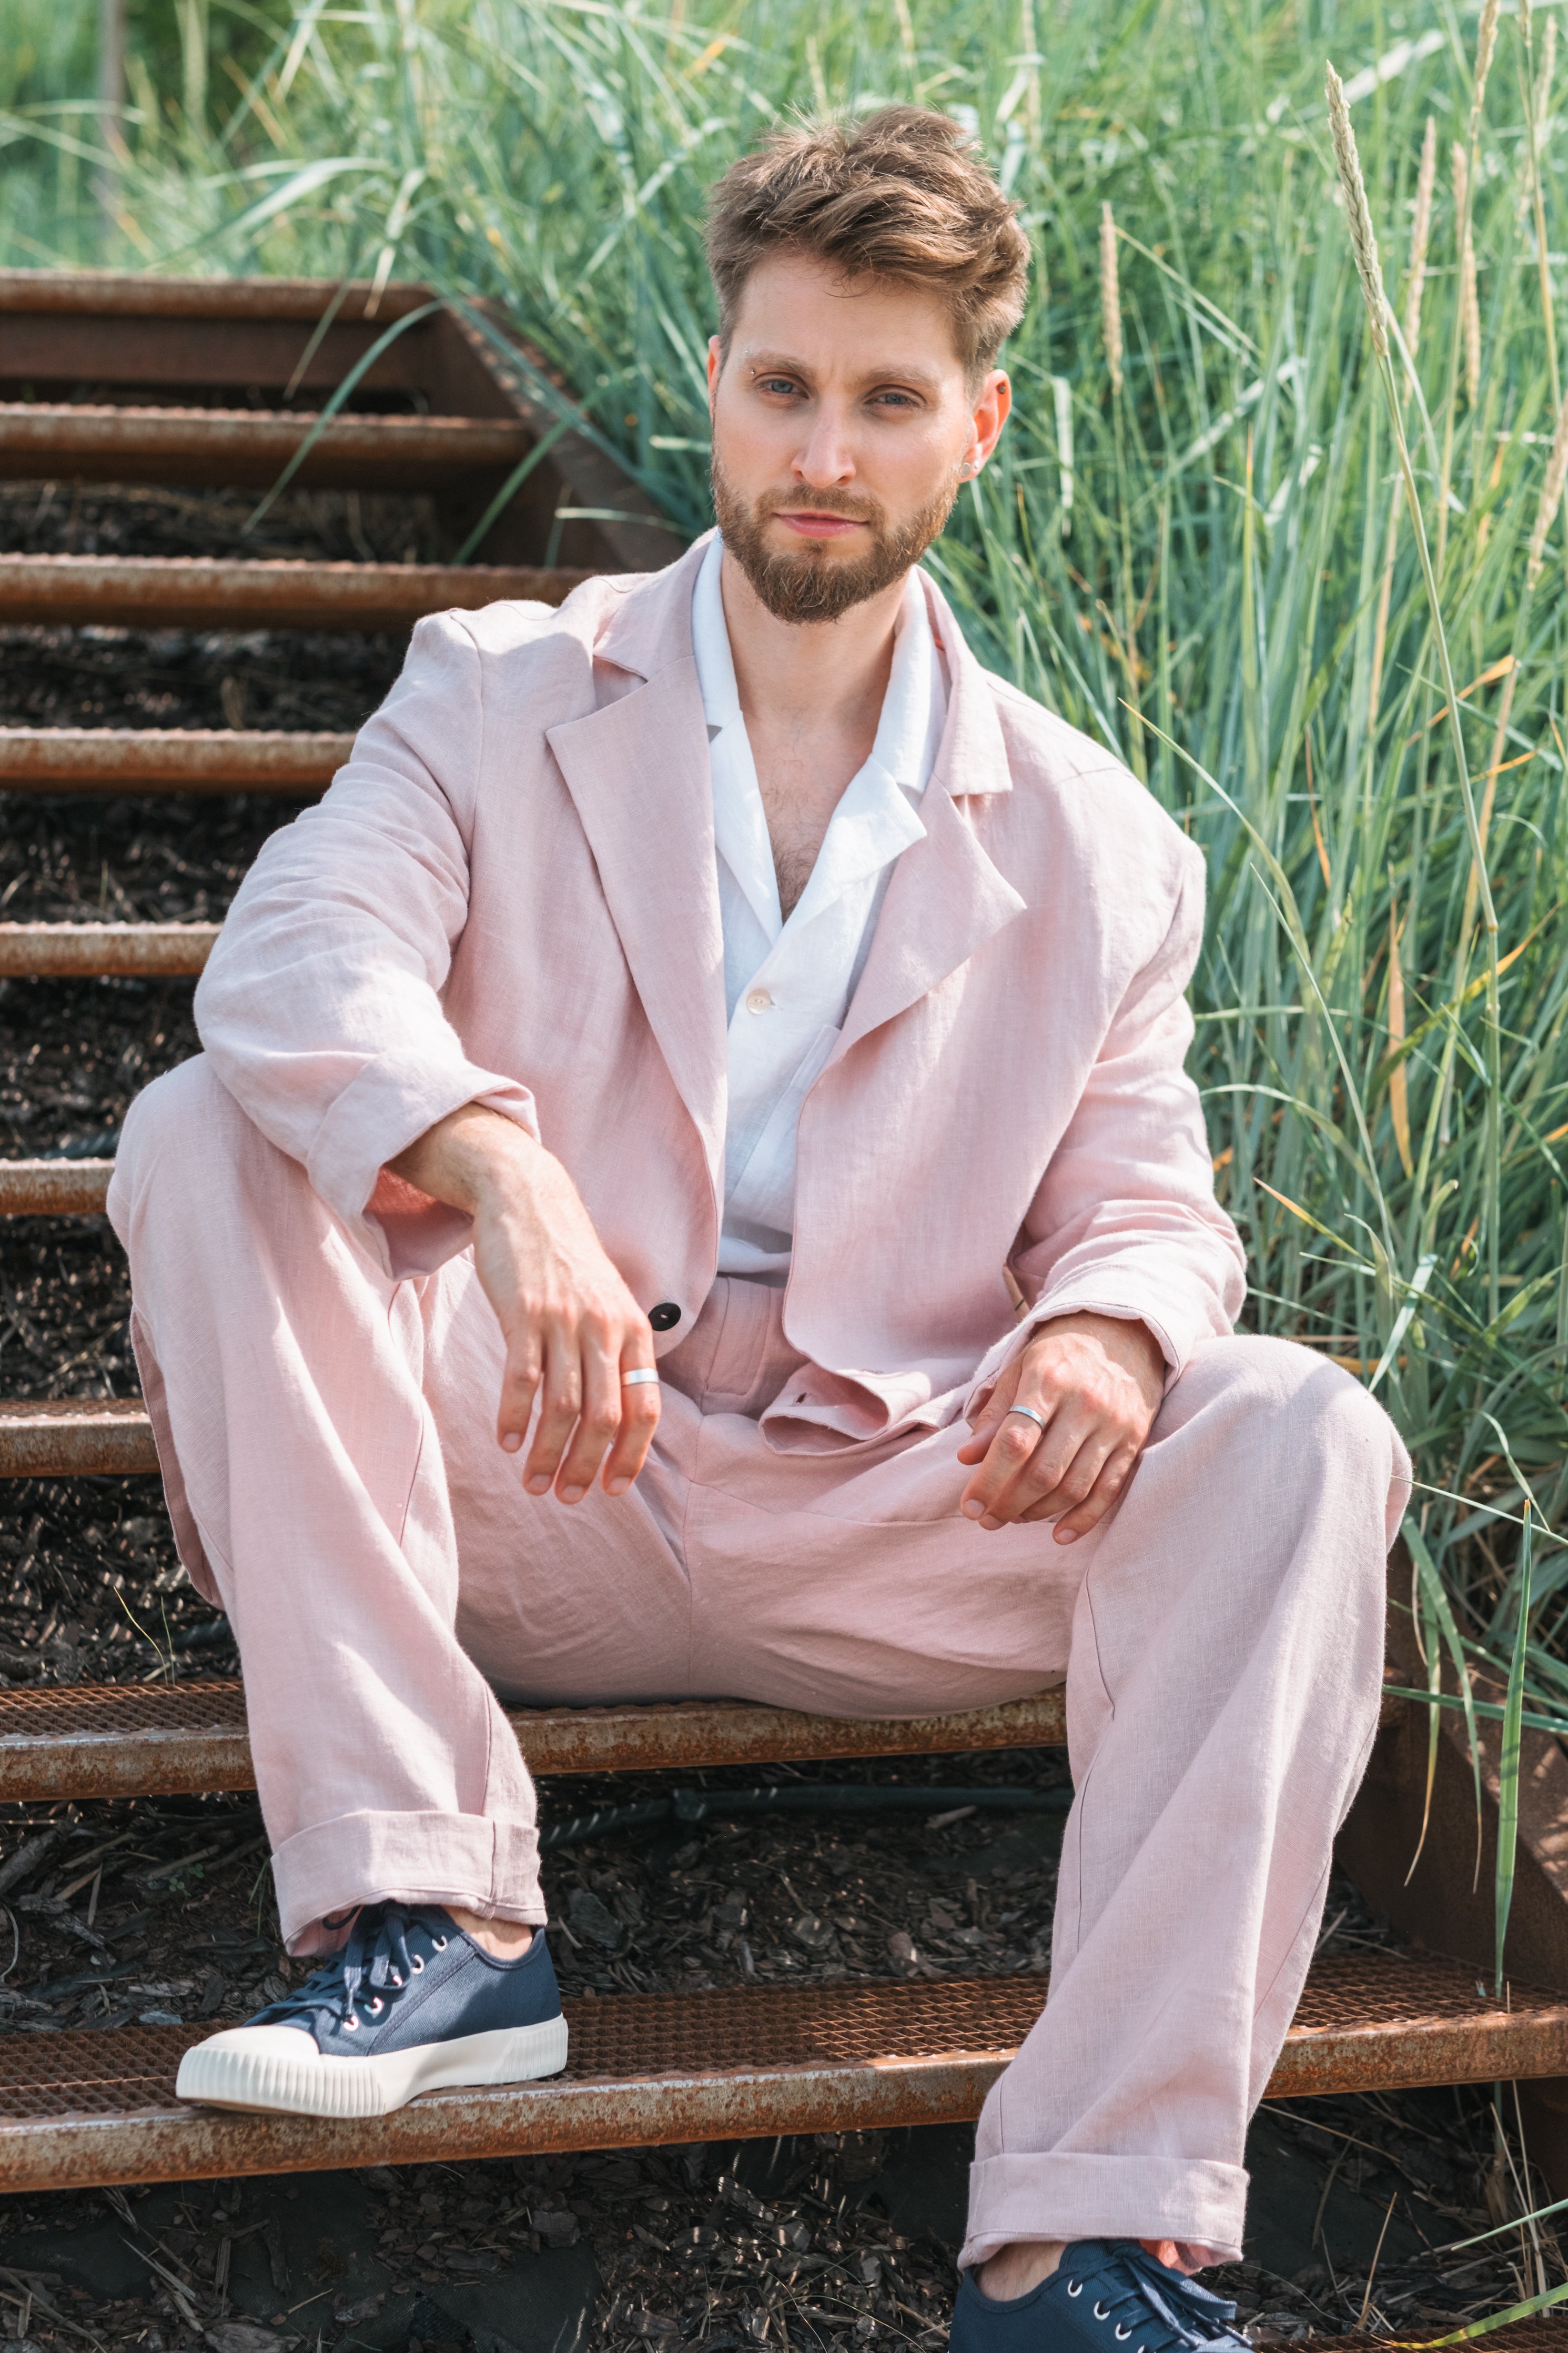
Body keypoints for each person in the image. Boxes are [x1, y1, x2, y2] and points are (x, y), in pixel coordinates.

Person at [109, 106, 1410, 2350]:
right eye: (784, 383)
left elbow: (1148, 1200)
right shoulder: (493, 686)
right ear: (711, 382)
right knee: (205, 1124)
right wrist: (495, 1170)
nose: (827, 447)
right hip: (519, 1470)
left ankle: (1085, 2227)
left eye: (888, 398)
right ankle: (429, 1913)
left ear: (974, 426)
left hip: (883, 1509)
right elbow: (298, 956)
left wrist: (1104, 1332)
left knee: (1295, 1428)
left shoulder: (1100, 846)